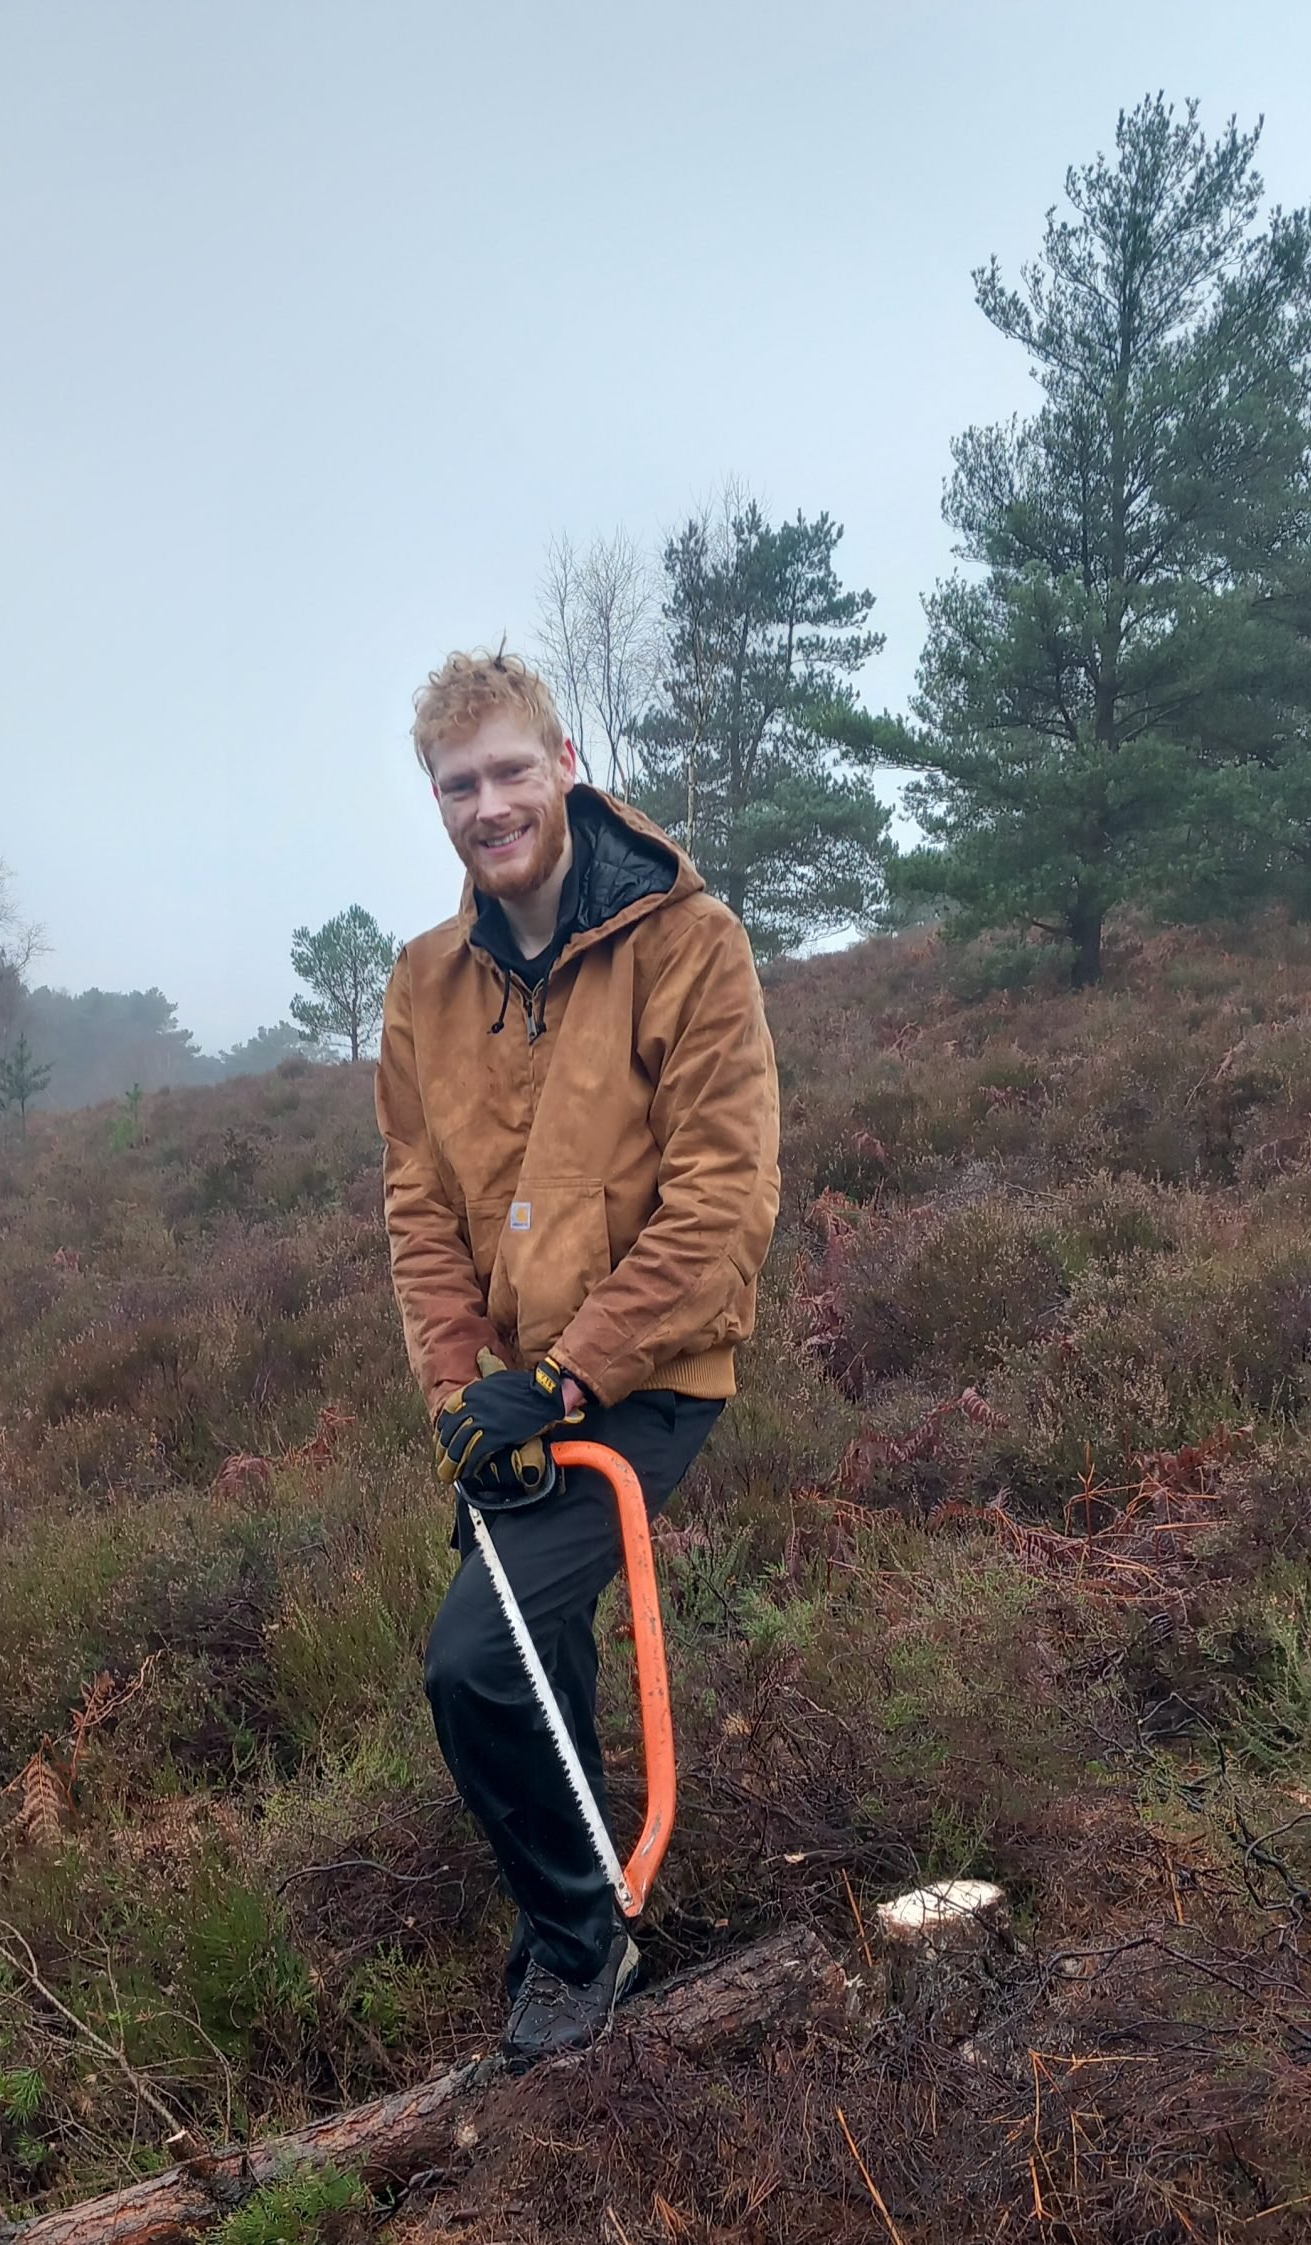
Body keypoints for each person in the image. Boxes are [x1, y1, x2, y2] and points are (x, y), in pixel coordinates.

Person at [375, 648, 780, 2063]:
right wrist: (462, 1393)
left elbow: (723, 1201)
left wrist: (563, 1382)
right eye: (455, 785)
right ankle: (590, 1888)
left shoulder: (691, 944)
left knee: (474, 1666)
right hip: (509, 1392)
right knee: (529, 1645)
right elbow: (421, 1213)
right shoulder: (424, 986)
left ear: (562, 762)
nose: (487, 805)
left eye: (506, 770)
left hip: (651, 1376)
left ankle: (579, 1944)